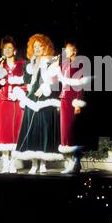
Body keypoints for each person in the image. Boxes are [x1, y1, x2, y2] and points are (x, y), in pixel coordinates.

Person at [10, 34, 64, 174]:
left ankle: (43, 162)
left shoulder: (52, 60)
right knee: (32, 130)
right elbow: (28, 80)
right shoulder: (29, 63)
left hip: (45, 96)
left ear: (45, 46)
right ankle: (34, 163)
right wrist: (32, 64)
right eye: (35, 46)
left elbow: (55, 80)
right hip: (32, 97)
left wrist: (45, 85)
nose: (37, 48)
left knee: (45, 128)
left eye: (40, 45)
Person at [0, 35, 26, 173]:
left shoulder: (22, 64)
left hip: (17, 100)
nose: (8, 50)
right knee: (4, 131)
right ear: (2, 51)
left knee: (17, 131)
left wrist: (20, 91)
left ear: (14, 50)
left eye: (10, 48)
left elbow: (27, 83)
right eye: (5, 48)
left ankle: (13, 163)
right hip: (4, 100)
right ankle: (5, 163)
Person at [58, 43, 86, 173]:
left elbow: (81, 84)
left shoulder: (80, 63)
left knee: (72, 131)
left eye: (68, 49)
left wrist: (78, 103)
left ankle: (76, 162)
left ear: (74, 50)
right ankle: (69, 161)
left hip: (73, 100)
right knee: (65, 132)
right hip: (64, 98)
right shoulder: (64, 63)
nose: (66, 51)